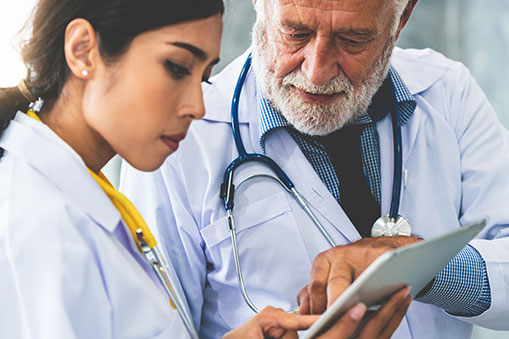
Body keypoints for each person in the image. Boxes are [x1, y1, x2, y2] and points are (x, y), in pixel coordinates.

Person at [0, 0, 413, 338]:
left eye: (204, 76)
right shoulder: (38, 226)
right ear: (82, 50)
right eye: (177, 68)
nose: (197, 107)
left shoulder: (80, 194)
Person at [120, 0, 509, 338]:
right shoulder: (179, 138)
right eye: (295, 32)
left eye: (353, 39)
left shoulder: (448, 93)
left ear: (402, 16)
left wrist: (423, 266)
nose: (316, 71)